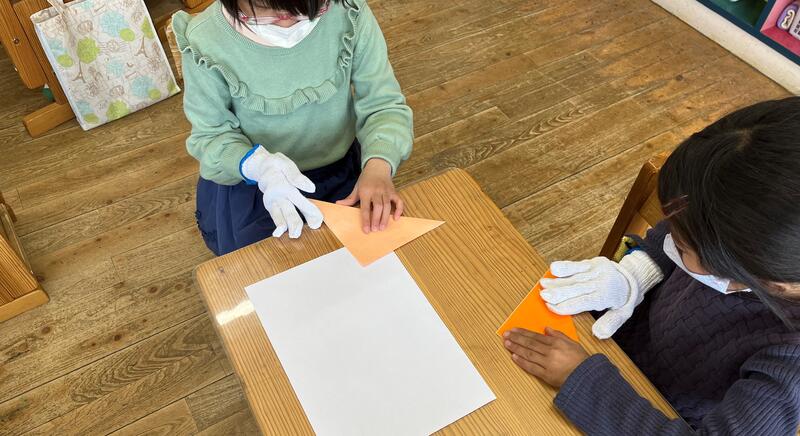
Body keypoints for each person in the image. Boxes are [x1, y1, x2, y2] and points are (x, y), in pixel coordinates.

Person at [503, 97, 800, 434]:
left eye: (683, 247)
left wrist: (582, 380)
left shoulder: (789, 363)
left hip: (655, 409)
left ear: (768, 280)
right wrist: (635, 273)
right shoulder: (733, 234)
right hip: (616, 345)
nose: (669, 235)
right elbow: (678, 229)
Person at [173, 0, 413, 255]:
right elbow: (211, 135)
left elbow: (383, 104)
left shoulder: (348, 12)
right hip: (256, 184)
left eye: (306, 9)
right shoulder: (206, 40)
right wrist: (258, 166)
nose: (287, 20)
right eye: (266, 11)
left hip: (341, 170)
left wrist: (378, 165)